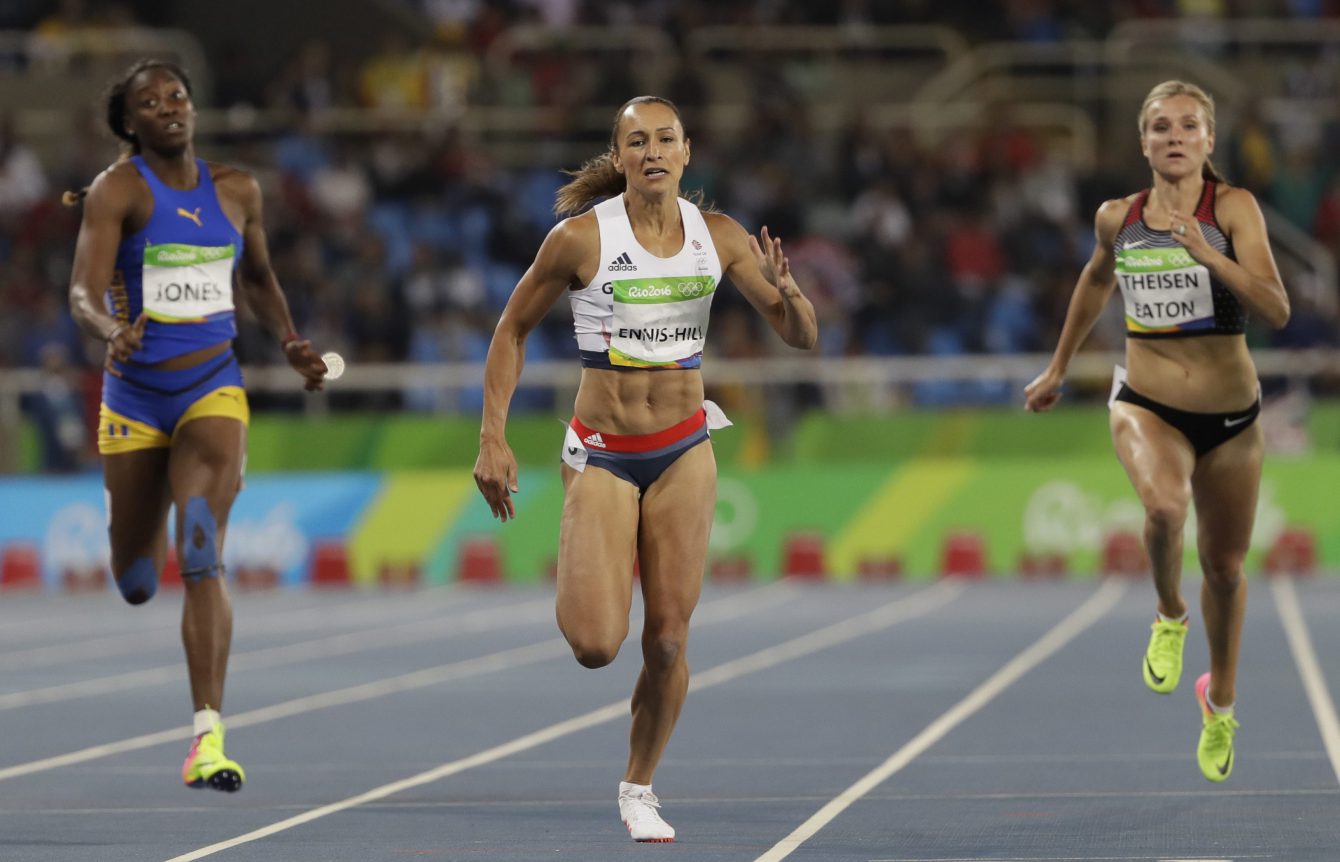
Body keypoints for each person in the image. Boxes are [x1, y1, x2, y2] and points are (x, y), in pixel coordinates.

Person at [473, 95, 817, 841]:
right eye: (638, 141)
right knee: (597, 645)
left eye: (666, 139)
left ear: (687, 151)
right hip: (603, 453)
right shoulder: (578, 241)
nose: (653, 151)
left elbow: (800, 337)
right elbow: (511, 329)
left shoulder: (719, 236)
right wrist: (492, 436)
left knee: (667, 640)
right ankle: (579, 558)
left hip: (684, 448)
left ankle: (638, 785)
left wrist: (791, 297)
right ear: (621, 156)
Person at [65, 58, 328, 792]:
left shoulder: (238, 189)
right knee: (137, 578)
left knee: (202, 547)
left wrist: (289, 339)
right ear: (130, 123)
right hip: (134, 398)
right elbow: (81, 290)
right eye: (150, 102)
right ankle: (132, 522)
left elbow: (256, 277)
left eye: (177, 95)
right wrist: (106, 327)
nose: (169, 107)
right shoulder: (117, 191)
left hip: (213, 385)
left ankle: (206, 736)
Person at [1025, 80, 1290, 783]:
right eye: (1161, 127)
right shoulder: (1119, 217)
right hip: (1146, 401)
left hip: (1232, 420)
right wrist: (1057, 370)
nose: (1175, 136)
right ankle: (1169, 614)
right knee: (1166, 508)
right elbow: (1093, 281)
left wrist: (1210, 255)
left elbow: (1276, 307)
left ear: (1209, 140)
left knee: (1228, 571)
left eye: (1189, 126)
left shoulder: (1233, 209)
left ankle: (1221, 702)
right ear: (1143, 142)